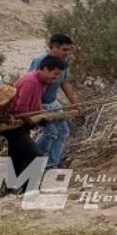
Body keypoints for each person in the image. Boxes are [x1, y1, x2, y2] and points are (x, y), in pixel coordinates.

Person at [5, 56, 67, 184]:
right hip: (14, 125)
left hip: (21, 124)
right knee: (36, 156)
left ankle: (12, 188)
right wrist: (32, 122)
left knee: (16, 156)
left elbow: (37, 100)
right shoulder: (31, 81)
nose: (55, 78)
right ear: (45, 69)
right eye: (54, 74)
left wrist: (41, 114)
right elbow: (21, 109)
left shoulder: (41, 82)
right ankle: (27, 188)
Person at [29, 34, 77, 169]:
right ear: (54, 48)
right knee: (51, 132)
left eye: (69, 50)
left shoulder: (64, 63)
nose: (67, 53)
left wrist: (74, 103)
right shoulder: (39, 61)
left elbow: (65, 83)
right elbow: (34, 85)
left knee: (62, 132)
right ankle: (30, 156)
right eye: (64, 50)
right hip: (39, 103)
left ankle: (52, 164)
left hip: (53, 102)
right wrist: (39, 111)